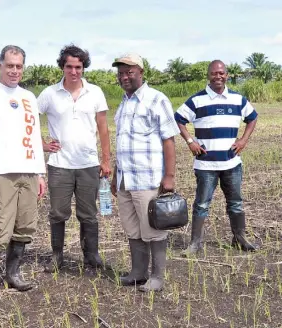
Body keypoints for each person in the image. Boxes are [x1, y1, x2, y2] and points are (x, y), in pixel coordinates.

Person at [0, 45, 46, 303]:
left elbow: (34, 136)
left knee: (25, 225)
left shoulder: (29, 97)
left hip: (28, 170)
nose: (14, 70)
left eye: (19, 66)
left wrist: (40, 173)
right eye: (10, 65)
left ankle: (12, 273)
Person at [37, 44, 111, 273]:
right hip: (59, 165)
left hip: (88, 164)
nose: (74, 71)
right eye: (69, 66)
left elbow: (103, 128)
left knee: (88, 213)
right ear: (62, 67)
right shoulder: (49, 94)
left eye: (78, 67)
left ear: (84, 68)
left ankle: (91, 255)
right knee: (58, 212)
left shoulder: (95, 92)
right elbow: (26, 122)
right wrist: (43, 144)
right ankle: (57, 256)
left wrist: (106, 160)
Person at [174, 60, 259, 256]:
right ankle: (195, 243)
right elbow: (178, 119)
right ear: (208, 75)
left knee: (236, 202)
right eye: (214, 73)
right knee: (202, 204)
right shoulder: (197, 100)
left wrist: (244, 140)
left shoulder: (238, 99)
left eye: (221, 73)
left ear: (226, 75)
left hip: (232, 162)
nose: (218, 76)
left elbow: (252, 117)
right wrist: (190, 141)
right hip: (206, 164)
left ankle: (240, 238)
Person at [110, 53, 180, 292]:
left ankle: (157, 277)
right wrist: (115, 175)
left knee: (153, 229)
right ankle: (138, 273)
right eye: (121, 73)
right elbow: (122, 143)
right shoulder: (124, 102)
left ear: (141, 72)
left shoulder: (155, 99)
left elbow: (168, 140)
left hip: (147, 178)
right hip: (125, 179)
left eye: (129, 72)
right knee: (133, 228)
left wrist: (169, 176)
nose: (124, 77)